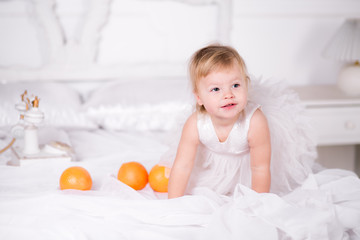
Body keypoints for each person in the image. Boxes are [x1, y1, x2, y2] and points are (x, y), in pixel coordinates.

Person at [168, 45, 271, 199]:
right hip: (211, 171)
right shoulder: (195, 124)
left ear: (246, 84)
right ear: (199, 98)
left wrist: (258, 204)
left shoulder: (255, 122)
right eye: (216, 89)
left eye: (235, 85)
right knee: (200, 195)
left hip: (249, 175)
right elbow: (182, 166)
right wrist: (173, 201)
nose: (228, 94)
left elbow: (260, 168)